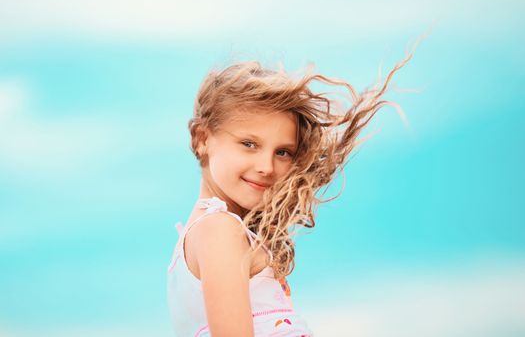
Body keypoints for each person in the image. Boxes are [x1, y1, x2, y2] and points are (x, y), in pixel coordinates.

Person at [166, 38, 421, 336]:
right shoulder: (219, 229)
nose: (267, 166)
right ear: (202, 138)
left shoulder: (211, 231)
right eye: (249, 144)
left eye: (282, 152)